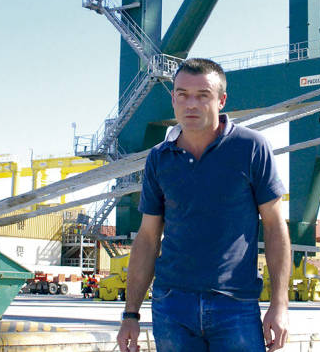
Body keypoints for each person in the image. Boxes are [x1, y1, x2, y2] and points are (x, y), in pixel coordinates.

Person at [117, 58, 291, 352]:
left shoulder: (251, 148)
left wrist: (280, 304)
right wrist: (130, 314)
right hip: (172, 307)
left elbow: (275, 228)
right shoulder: (159, 158)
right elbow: (147, 238)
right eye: (182, 94)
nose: (191, 104)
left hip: (235, 305)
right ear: (172, 99)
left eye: (203, 95)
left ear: (222, 100)